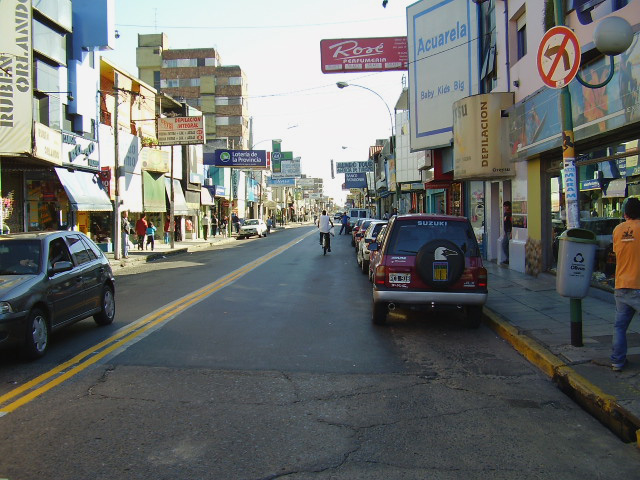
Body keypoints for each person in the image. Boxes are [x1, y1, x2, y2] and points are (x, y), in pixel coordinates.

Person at [611, 197, 640, 372]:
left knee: (620, 327)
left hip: (621, 285)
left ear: (625, 213)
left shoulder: (617, 230)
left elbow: (617, 251)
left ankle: (617, 362)